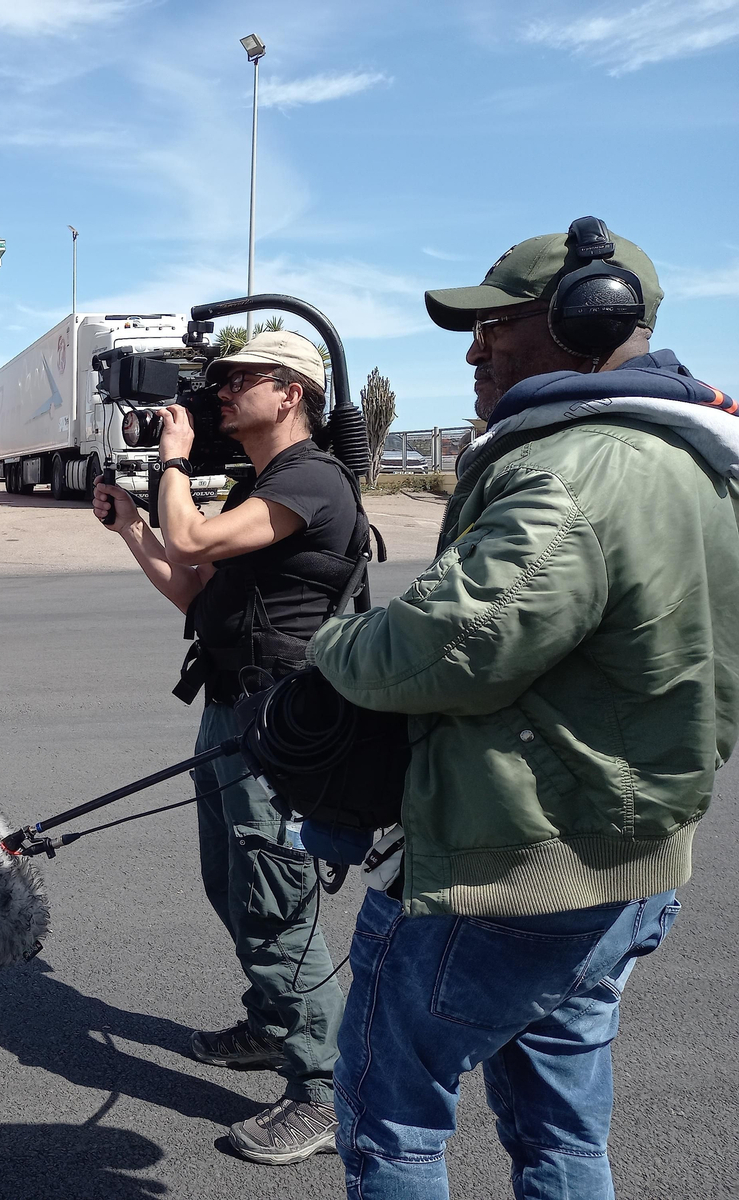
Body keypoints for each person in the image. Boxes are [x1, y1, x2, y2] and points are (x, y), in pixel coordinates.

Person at [308, 218, 739, 1199]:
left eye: (495, 323)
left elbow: (448, 649)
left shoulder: (570, 472)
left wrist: (328, 651)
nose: (473, 349)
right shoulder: (700, 462)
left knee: (392, 1124)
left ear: (589, 318)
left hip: (510, 882)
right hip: (628, 868)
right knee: (560, 1141)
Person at [93, 330, 371, 1164]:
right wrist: (133, 525)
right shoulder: (269, 483)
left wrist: (172, 462)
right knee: (232, 885)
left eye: (237, 379)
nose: (219, 392)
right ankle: (271, 1023)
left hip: (281, 723)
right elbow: (188, 579)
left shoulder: (313, 479)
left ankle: (325, 1092)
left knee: (273, 900)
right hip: (233, 712)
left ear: (291, 392)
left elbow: (198, 543)